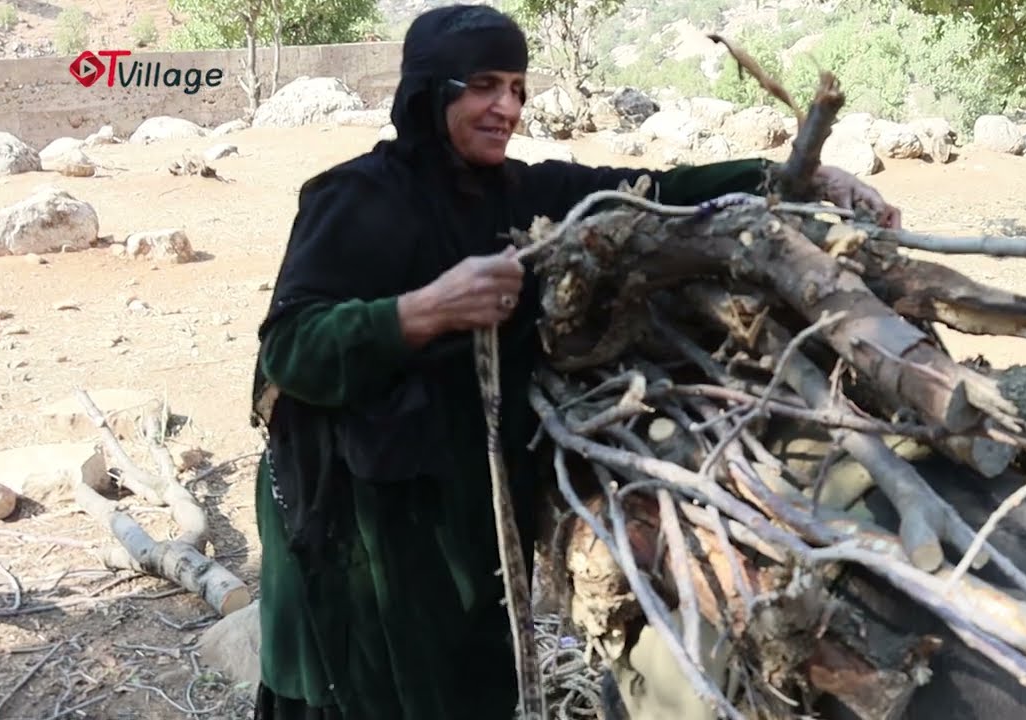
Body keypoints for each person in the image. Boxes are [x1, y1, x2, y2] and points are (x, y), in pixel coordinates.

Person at [247, 4, 903, 719]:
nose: (507, 108)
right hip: (356, 524)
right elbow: (290, 347)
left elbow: (651, 192)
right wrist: (426, 309)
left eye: (517, 89)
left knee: (471, 681)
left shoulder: (524, 194)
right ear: (430, 92)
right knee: (364, 693)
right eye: (484, 86)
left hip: (466, 510)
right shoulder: (355, 199)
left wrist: (798, 178)